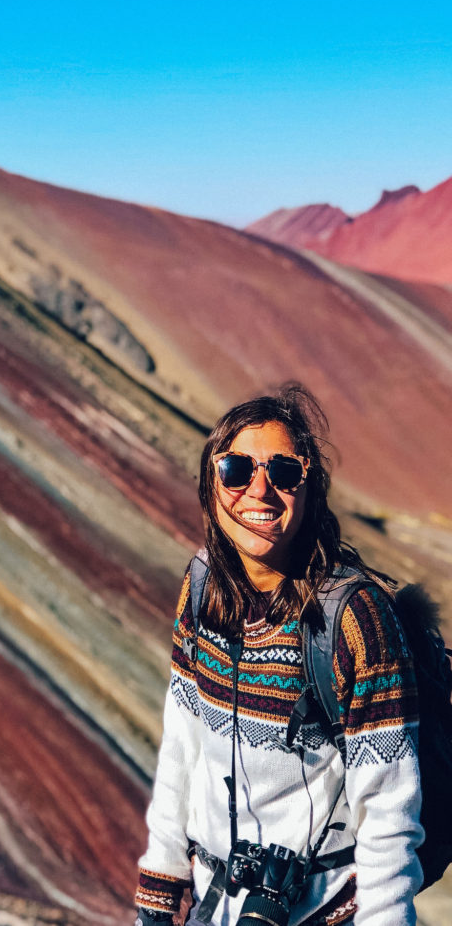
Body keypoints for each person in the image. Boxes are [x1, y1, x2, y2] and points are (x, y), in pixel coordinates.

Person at [135, 384, 422, 926]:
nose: (260, 491)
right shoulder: (201, 589)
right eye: (236, 470)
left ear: (310, 491)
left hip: (322, 910)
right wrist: (162, 878)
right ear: (209, 484)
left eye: (285, 473)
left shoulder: (354, 619)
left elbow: (389, 814)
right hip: (214, 903)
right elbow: (182, 744)